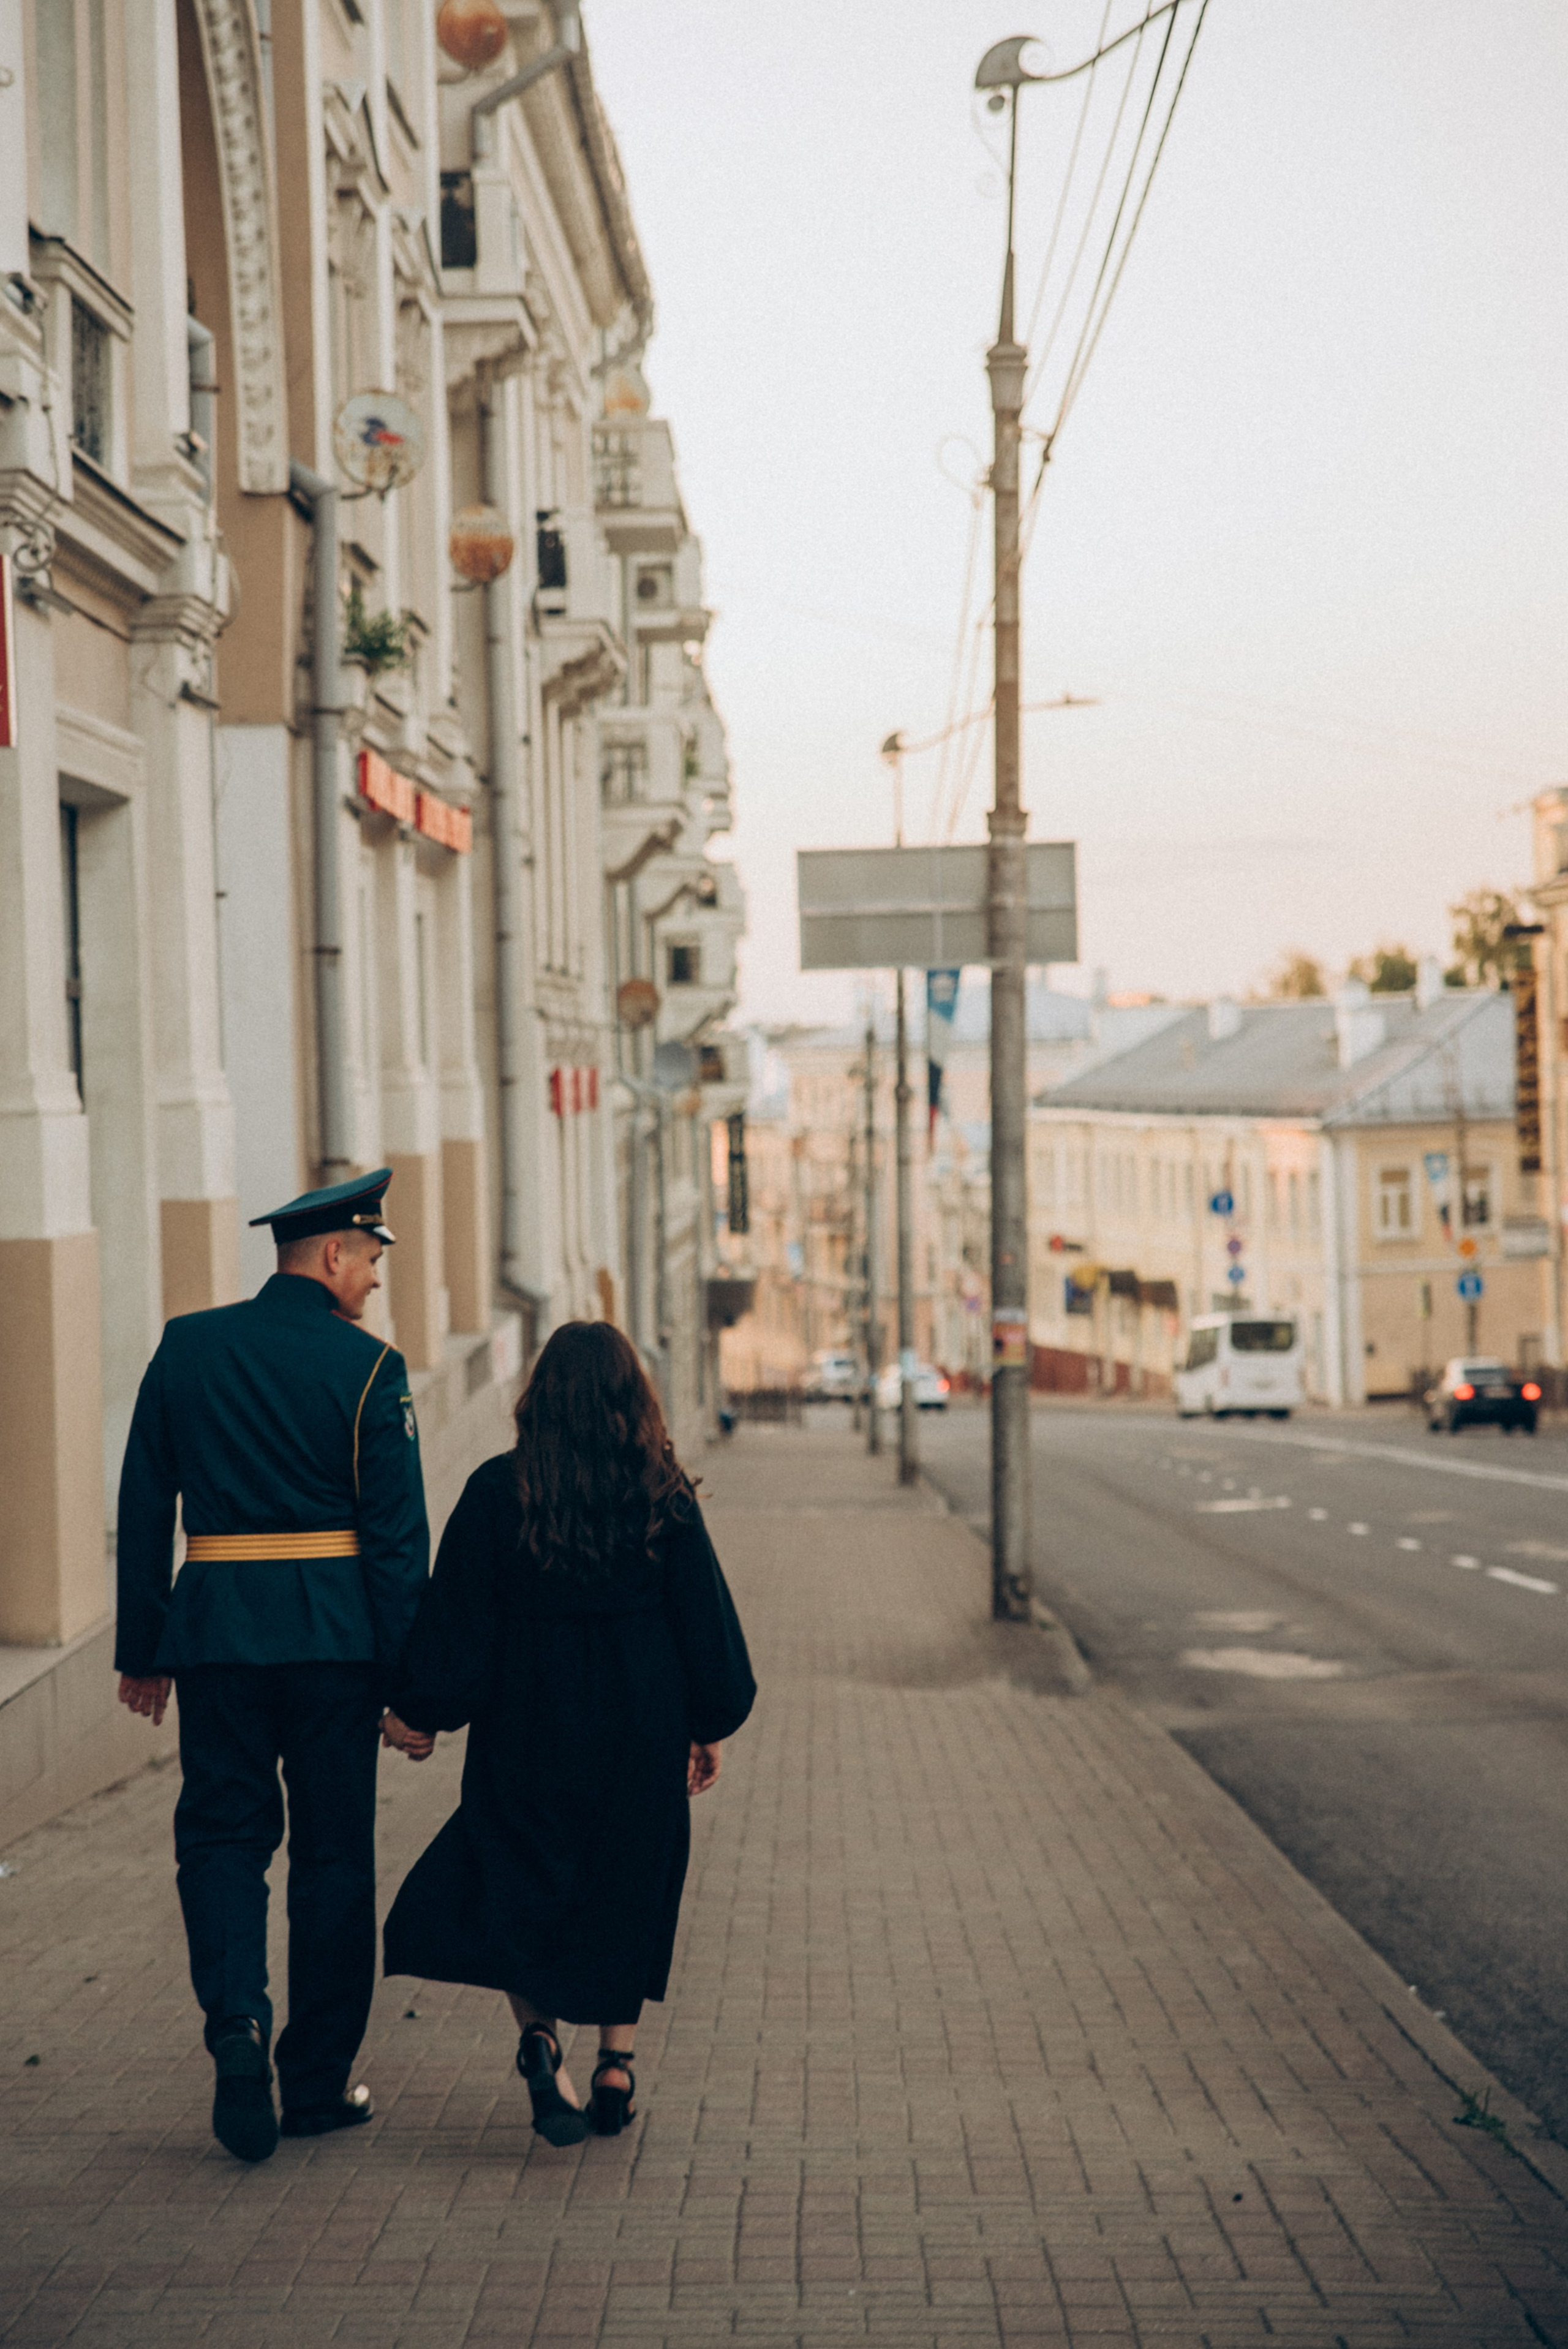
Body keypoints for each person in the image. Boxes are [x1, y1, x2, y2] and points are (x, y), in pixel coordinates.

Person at [115, 1171, 430, 2163]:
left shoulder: (188, 1346)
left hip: (216, 1639)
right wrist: (407, 1687)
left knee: (221, 1839)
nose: (375, 1282)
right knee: (332, 1858)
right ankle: (316, 2083)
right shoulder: (372, 1372)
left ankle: (236, 2025)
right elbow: (396, 1547)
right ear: (333, 1255)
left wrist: (144, 1647)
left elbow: (142, 1505)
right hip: (335, 1649)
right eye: (371, 1260)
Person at [381, 1321, 755, 2144]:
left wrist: (419, 1710)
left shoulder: (495, 1491)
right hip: (640, 1736)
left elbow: (458, 1625)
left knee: (521, 1885)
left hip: (527, 1735)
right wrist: (706, 1722)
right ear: (634, 1398)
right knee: (627, 1890)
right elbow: (709, 1632)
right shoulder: (663, 1495)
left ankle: (540, 2040)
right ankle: (615, 2067)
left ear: (539, 1398)